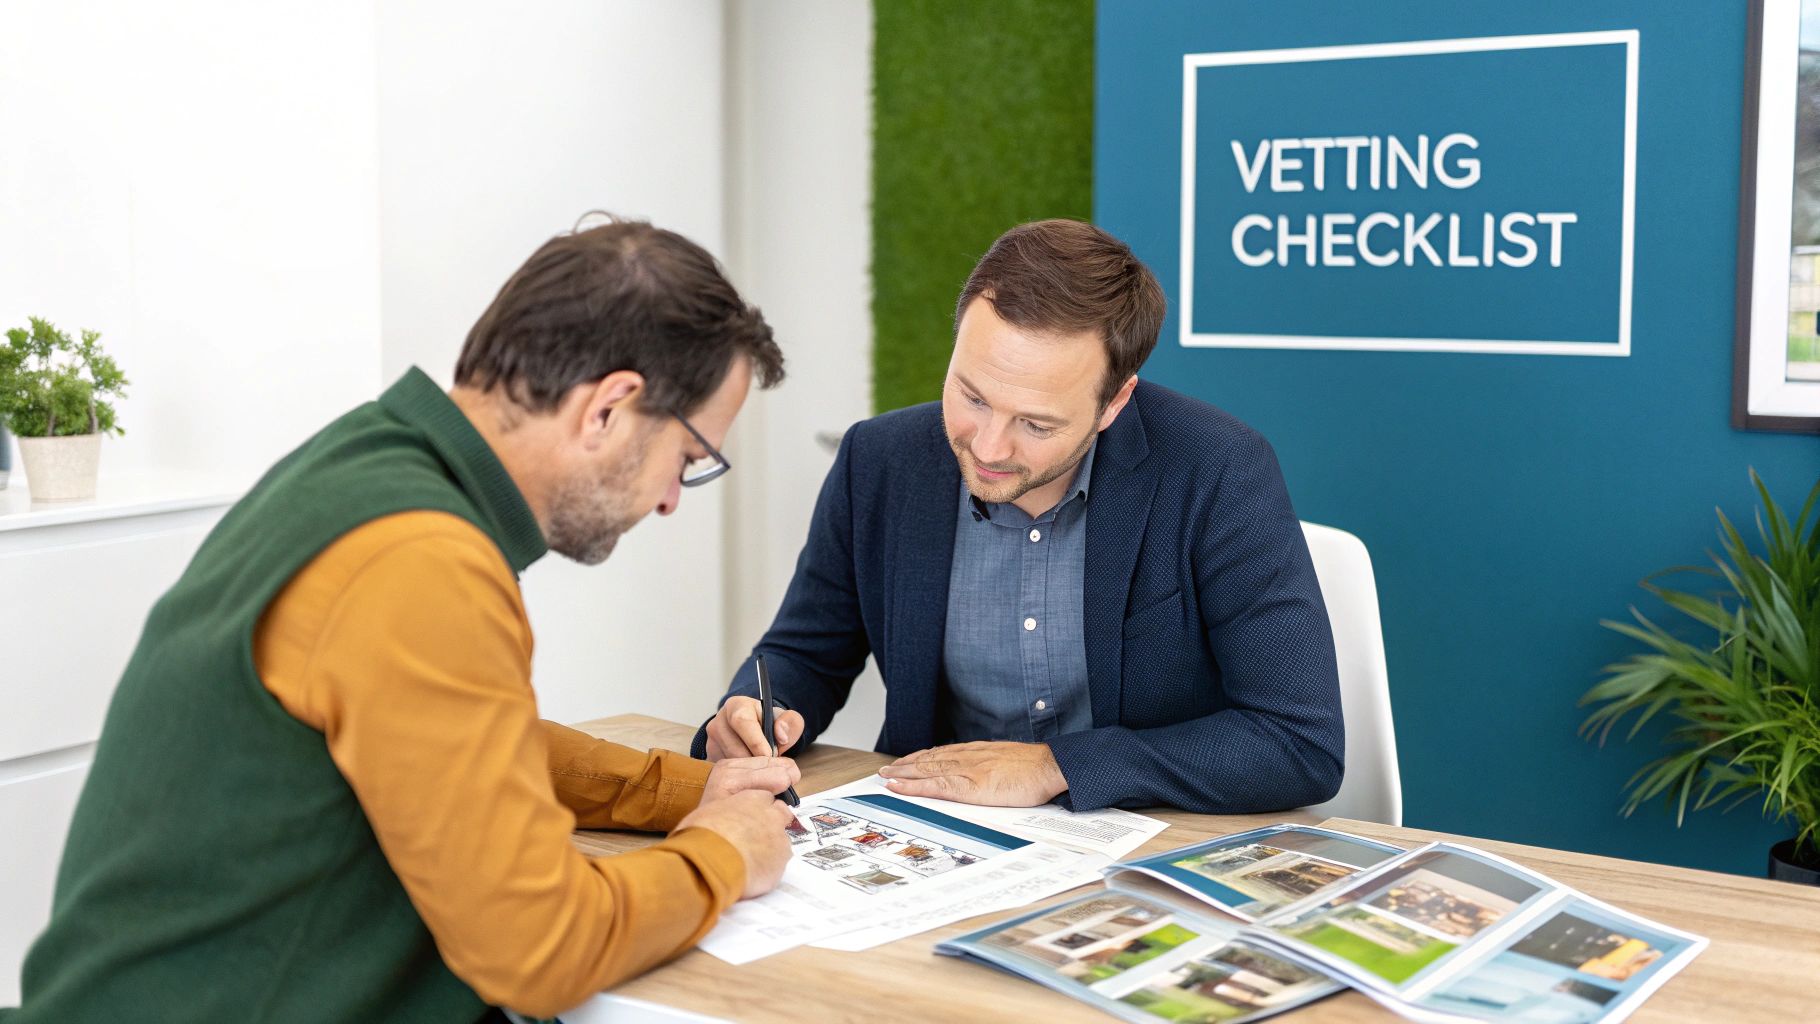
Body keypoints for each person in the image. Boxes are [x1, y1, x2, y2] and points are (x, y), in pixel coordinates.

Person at [2, 216, 799, 1023]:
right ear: (608, 410)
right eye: (689, 460)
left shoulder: (368, 465)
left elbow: (460, 737)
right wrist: (723, 854)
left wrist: (694, 792)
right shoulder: (422, 559)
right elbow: (541, 950)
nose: (669, 502)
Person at [696, 218, 1343, 815]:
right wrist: (757, 710)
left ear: (1115, 402)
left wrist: (1056, 767)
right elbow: (808, 652)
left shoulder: (1218, 470)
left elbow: (1298, 741)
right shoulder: (880, 461)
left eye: (1036, 423)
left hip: (1144, 838)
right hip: (938, 833)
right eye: (971, 396)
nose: (988, 446)